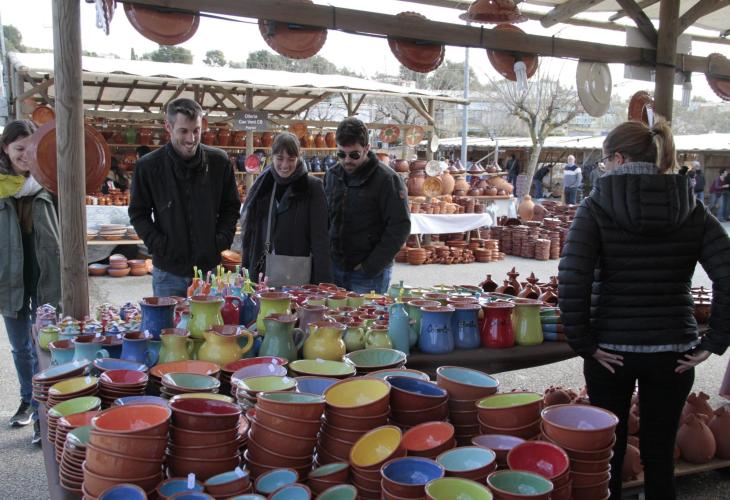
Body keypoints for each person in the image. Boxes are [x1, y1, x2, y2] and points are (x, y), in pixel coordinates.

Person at [558, 119, 730, 500]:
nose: (603, 168)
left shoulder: (595, 207)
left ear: (618, 159)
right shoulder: (691, 206)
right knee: (660, 453)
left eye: (604, 161)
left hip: (610, 352)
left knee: (607, 454)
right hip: (674, 352)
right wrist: (714, 341)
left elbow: (572, 278)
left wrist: (584, 343)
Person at [129, 98, 241, 297]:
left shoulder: (219, 162)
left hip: (209, 270)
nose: (191, 139)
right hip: (168, 271)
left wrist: (221, 241)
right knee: (168, 319)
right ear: (168, 127)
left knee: (210, 318)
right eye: (183, 131)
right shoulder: (148, 167)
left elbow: (231, 207)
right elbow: (138, 213)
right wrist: (159, 245)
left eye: (196, 130)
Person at [0, 119, 61, 445]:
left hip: (45, 272)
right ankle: (27, 399)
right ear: (5, 149)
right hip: (8, 274)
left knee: (45, 346)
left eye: (30, 148)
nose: (25, 155)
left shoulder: (50, 181)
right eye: (18, 148)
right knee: (20, 346)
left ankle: (42, 412)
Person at [324, 118, 410, 293]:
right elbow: (326, 219)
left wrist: (370, 266)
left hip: (369, 274)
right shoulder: (332, 175)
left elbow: (399, 226)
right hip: (336, 269)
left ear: (367, 148)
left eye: (354, 155)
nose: (347, 160)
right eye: (341, 154)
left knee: (367, 313)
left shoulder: (387, 179)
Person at [240, 132, 332, 285]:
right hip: (263, 272)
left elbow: (320, 239)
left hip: (299, 275)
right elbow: (252, 232)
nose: (284, 165)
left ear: (299, 157)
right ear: (272, 157)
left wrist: (323, 284)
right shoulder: (264, 185)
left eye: (291, 159)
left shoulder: (312, 187)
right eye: (280, 158)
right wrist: (245, 270)